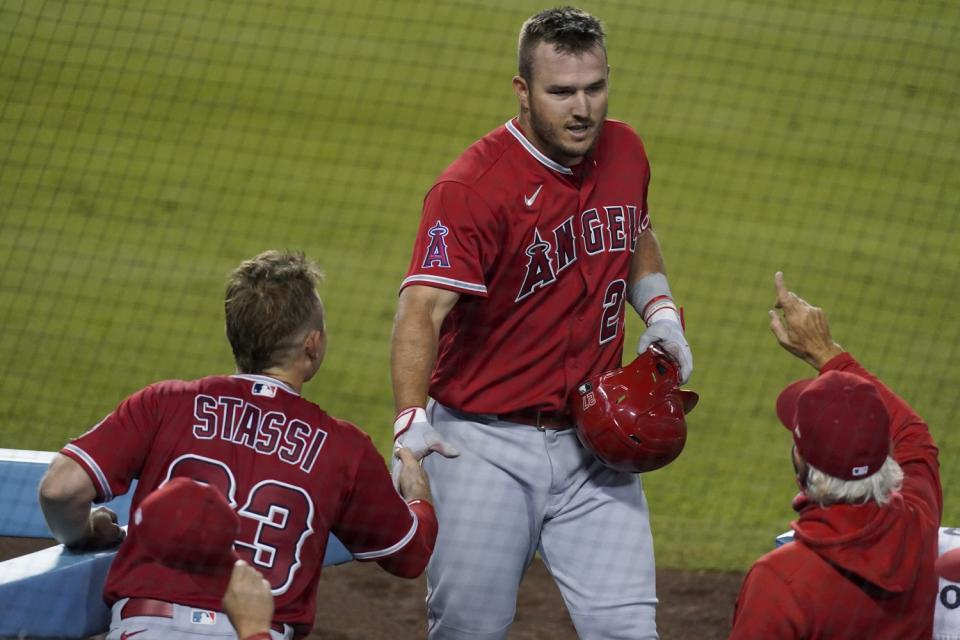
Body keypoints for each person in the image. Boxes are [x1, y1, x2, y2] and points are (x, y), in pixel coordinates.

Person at [390, 7, 693, 638]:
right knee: (468, 628)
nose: (583, 109)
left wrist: (660, 312)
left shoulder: (627, 151)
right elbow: (423, 306)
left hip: (597, 450)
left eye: (595, 88)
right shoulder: (472, 188)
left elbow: (634, 230)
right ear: (523, 92)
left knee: (629, 631)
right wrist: (410, 419)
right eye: (561, 92)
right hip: (483, 448)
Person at [38, 250, 438, 640]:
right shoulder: (345, 448)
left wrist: (85, 533)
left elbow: (59, 489)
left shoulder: (164, 403)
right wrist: (418, 495)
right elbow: (410, 556)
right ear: (312, 345)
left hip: (144, 627)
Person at [728, 272, 942, 638]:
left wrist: (822, 350)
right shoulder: (918, 526)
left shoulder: (781, 581)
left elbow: (912, 437)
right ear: (885, 455)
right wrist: (827, 352)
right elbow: (915, 437)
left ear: (803, 466)